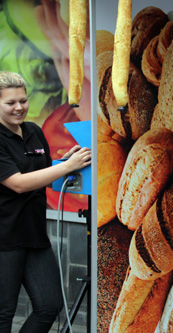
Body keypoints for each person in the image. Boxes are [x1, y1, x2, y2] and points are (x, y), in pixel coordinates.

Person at [0, 71, 91, 333]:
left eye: (23, 100)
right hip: (5, 239)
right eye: (10, 103)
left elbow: (41, 172)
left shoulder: (33, 131)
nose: (19, 107)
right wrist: (66, 168)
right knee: (4, 313)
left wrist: (66, 161)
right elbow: (17, 183)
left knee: (49, 306)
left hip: (34, 235)